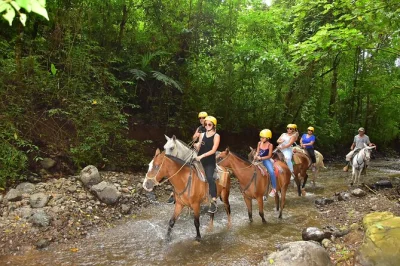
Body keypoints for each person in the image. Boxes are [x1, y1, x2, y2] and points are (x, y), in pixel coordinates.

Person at [166, 111, 208, 204]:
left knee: (204, 165)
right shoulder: (199, 128)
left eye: (203, 117)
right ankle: (176, 192)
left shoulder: (210, 126)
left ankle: (206, 187)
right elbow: (194, 138)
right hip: (197, 150)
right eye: (200, 118)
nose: (201, 119)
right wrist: (195, 137)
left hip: (206, 150)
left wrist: (200, 143)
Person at [195, 116, 220, 213]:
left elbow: (213, 150)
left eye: (209, 124)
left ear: (213, 125)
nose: (207, 126)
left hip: (209, 161)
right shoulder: (202, 134)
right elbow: (200, 145)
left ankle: (213, 200)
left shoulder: (217, 136)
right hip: (199, 159)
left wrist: (202, 156)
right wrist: (197, 145)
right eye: (206, 124)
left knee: (209, 178)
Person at [254, 129, 277, 197]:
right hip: (258, 159)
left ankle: (274, 188)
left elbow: (269, 156)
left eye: (263, 137)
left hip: (266, 160)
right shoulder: (259, 143)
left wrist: (261, 158)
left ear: (267, 138)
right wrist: (256, 155)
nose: (261, 139)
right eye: (260, 137)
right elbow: (257, 151)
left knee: (272, 172)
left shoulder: (270, 145)